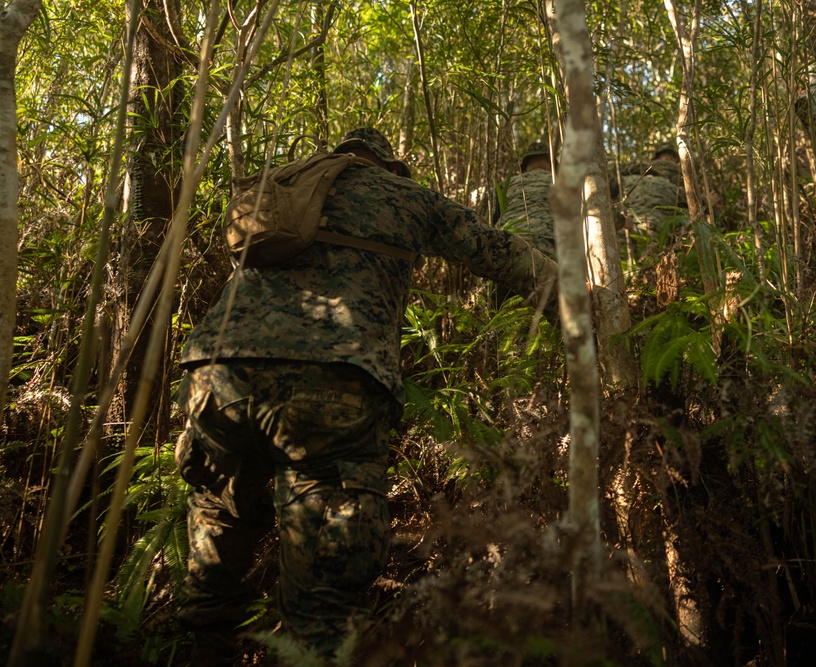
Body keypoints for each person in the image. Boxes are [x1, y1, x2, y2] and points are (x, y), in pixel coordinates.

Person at [173, 127, 558, 663]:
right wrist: (568, 289)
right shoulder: (405, 195)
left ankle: (196, 646)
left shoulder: (283, 185)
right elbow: (493, 252)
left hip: (214, 374)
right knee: (325, 592)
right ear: (388, 165)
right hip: (331, 378)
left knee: (220, 511)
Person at [494, 141, 558, 258]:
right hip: (551, 247)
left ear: (524, 167)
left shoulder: (507, 184)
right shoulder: (562, 183)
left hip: (504, 246)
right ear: (553, 164)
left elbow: (488, 221)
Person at [618, 143, 686, 247]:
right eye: (666, 158)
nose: (668, 162)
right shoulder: (631, 179)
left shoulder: (674, 188)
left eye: (672, 159)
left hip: (653, 231)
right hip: (648, 231)